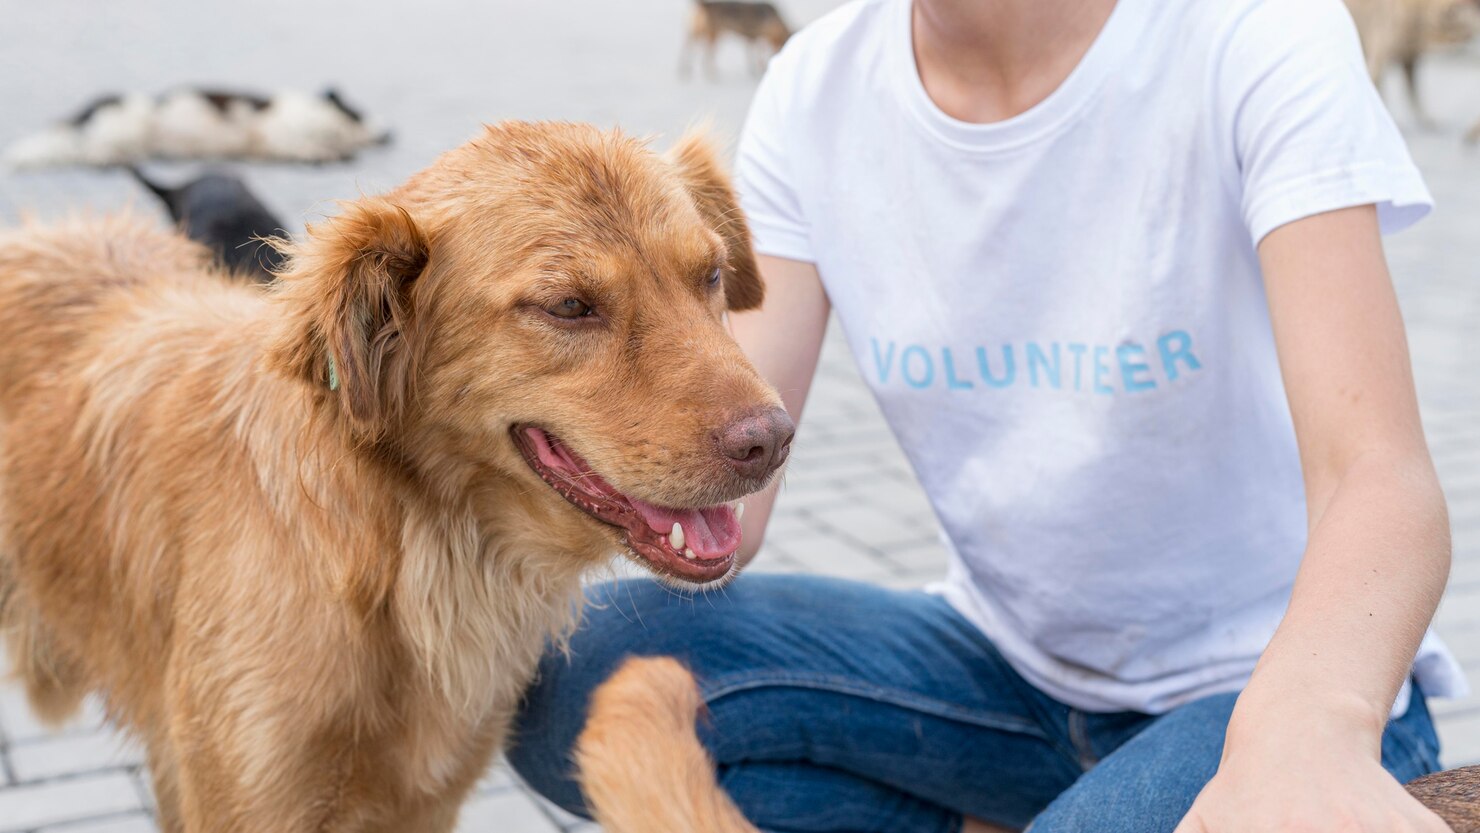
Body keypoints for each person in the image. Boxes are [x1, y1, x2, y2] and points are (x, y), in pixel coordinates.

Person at [508, 0, 1469, 829]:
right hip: (1000, 672)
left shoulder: (1250, 37)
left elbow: (1380, 481)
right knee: (571, 674)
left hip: (1276, 683)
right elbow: (727, 497)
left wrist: (1303, 736)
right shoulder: (814, 91)